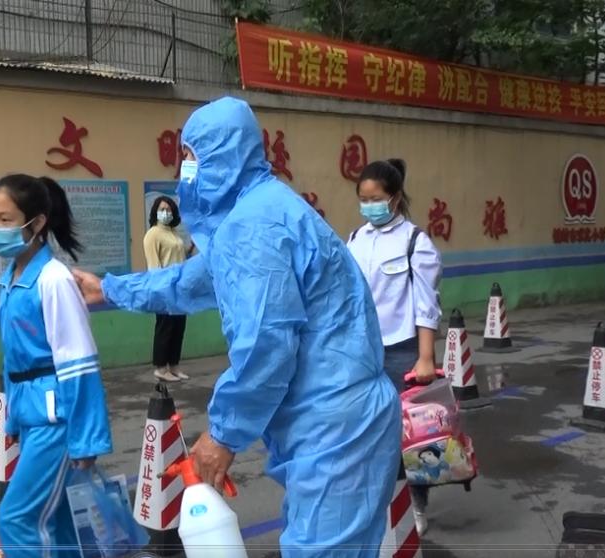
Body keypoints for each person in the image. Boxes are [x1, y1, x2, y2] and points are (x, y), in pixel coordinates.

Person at [71, 97, 400, 557]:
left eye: (190, 156)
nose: (183, 168)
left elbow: (266, 345)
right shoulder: (259, 212)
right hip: (333, 419)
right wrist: (110, 289)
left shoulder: (253, 226)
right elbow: (194, 280)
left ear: (221, 156)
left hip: (334, 424)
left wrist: (222, 435)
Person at [0, 174, 113, 557]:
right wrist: (12, 420)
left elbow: (79, 363)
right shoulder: (11, 278)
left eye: (6, 220)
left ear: (37, 223)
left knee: (17, 519)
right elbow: (15, 359)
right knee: (59, 523)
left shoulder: (54, 279)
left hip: (56, 423)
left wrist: (87, 439)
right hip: (32, 415)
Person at [345, 159, 443, 536]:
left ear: (396, 197)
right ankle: (375, 502)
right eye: (363, 199)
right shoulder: (355, 239)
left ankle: (415, 504)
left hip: (402, 352)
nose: (369, 206)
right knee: (368, 432)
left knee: (410, 437)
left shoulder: (416, 242)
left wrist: (425, 358)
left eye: (377, 198)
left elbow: (425, 306)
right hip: (362, 353)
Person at [143, 196, 191, 383]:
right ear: (155, 212)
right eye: (162, 209)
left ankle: (174, 365)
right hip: (164, 289)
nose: (166, 213)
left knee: (179, 328)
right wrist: (162, 288)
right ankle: (161, 368)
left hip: (180, 288)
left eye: (169, 209)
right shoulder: (153, 234)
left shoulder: (174, 233)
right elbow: (154, 266)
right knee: (165, 327)